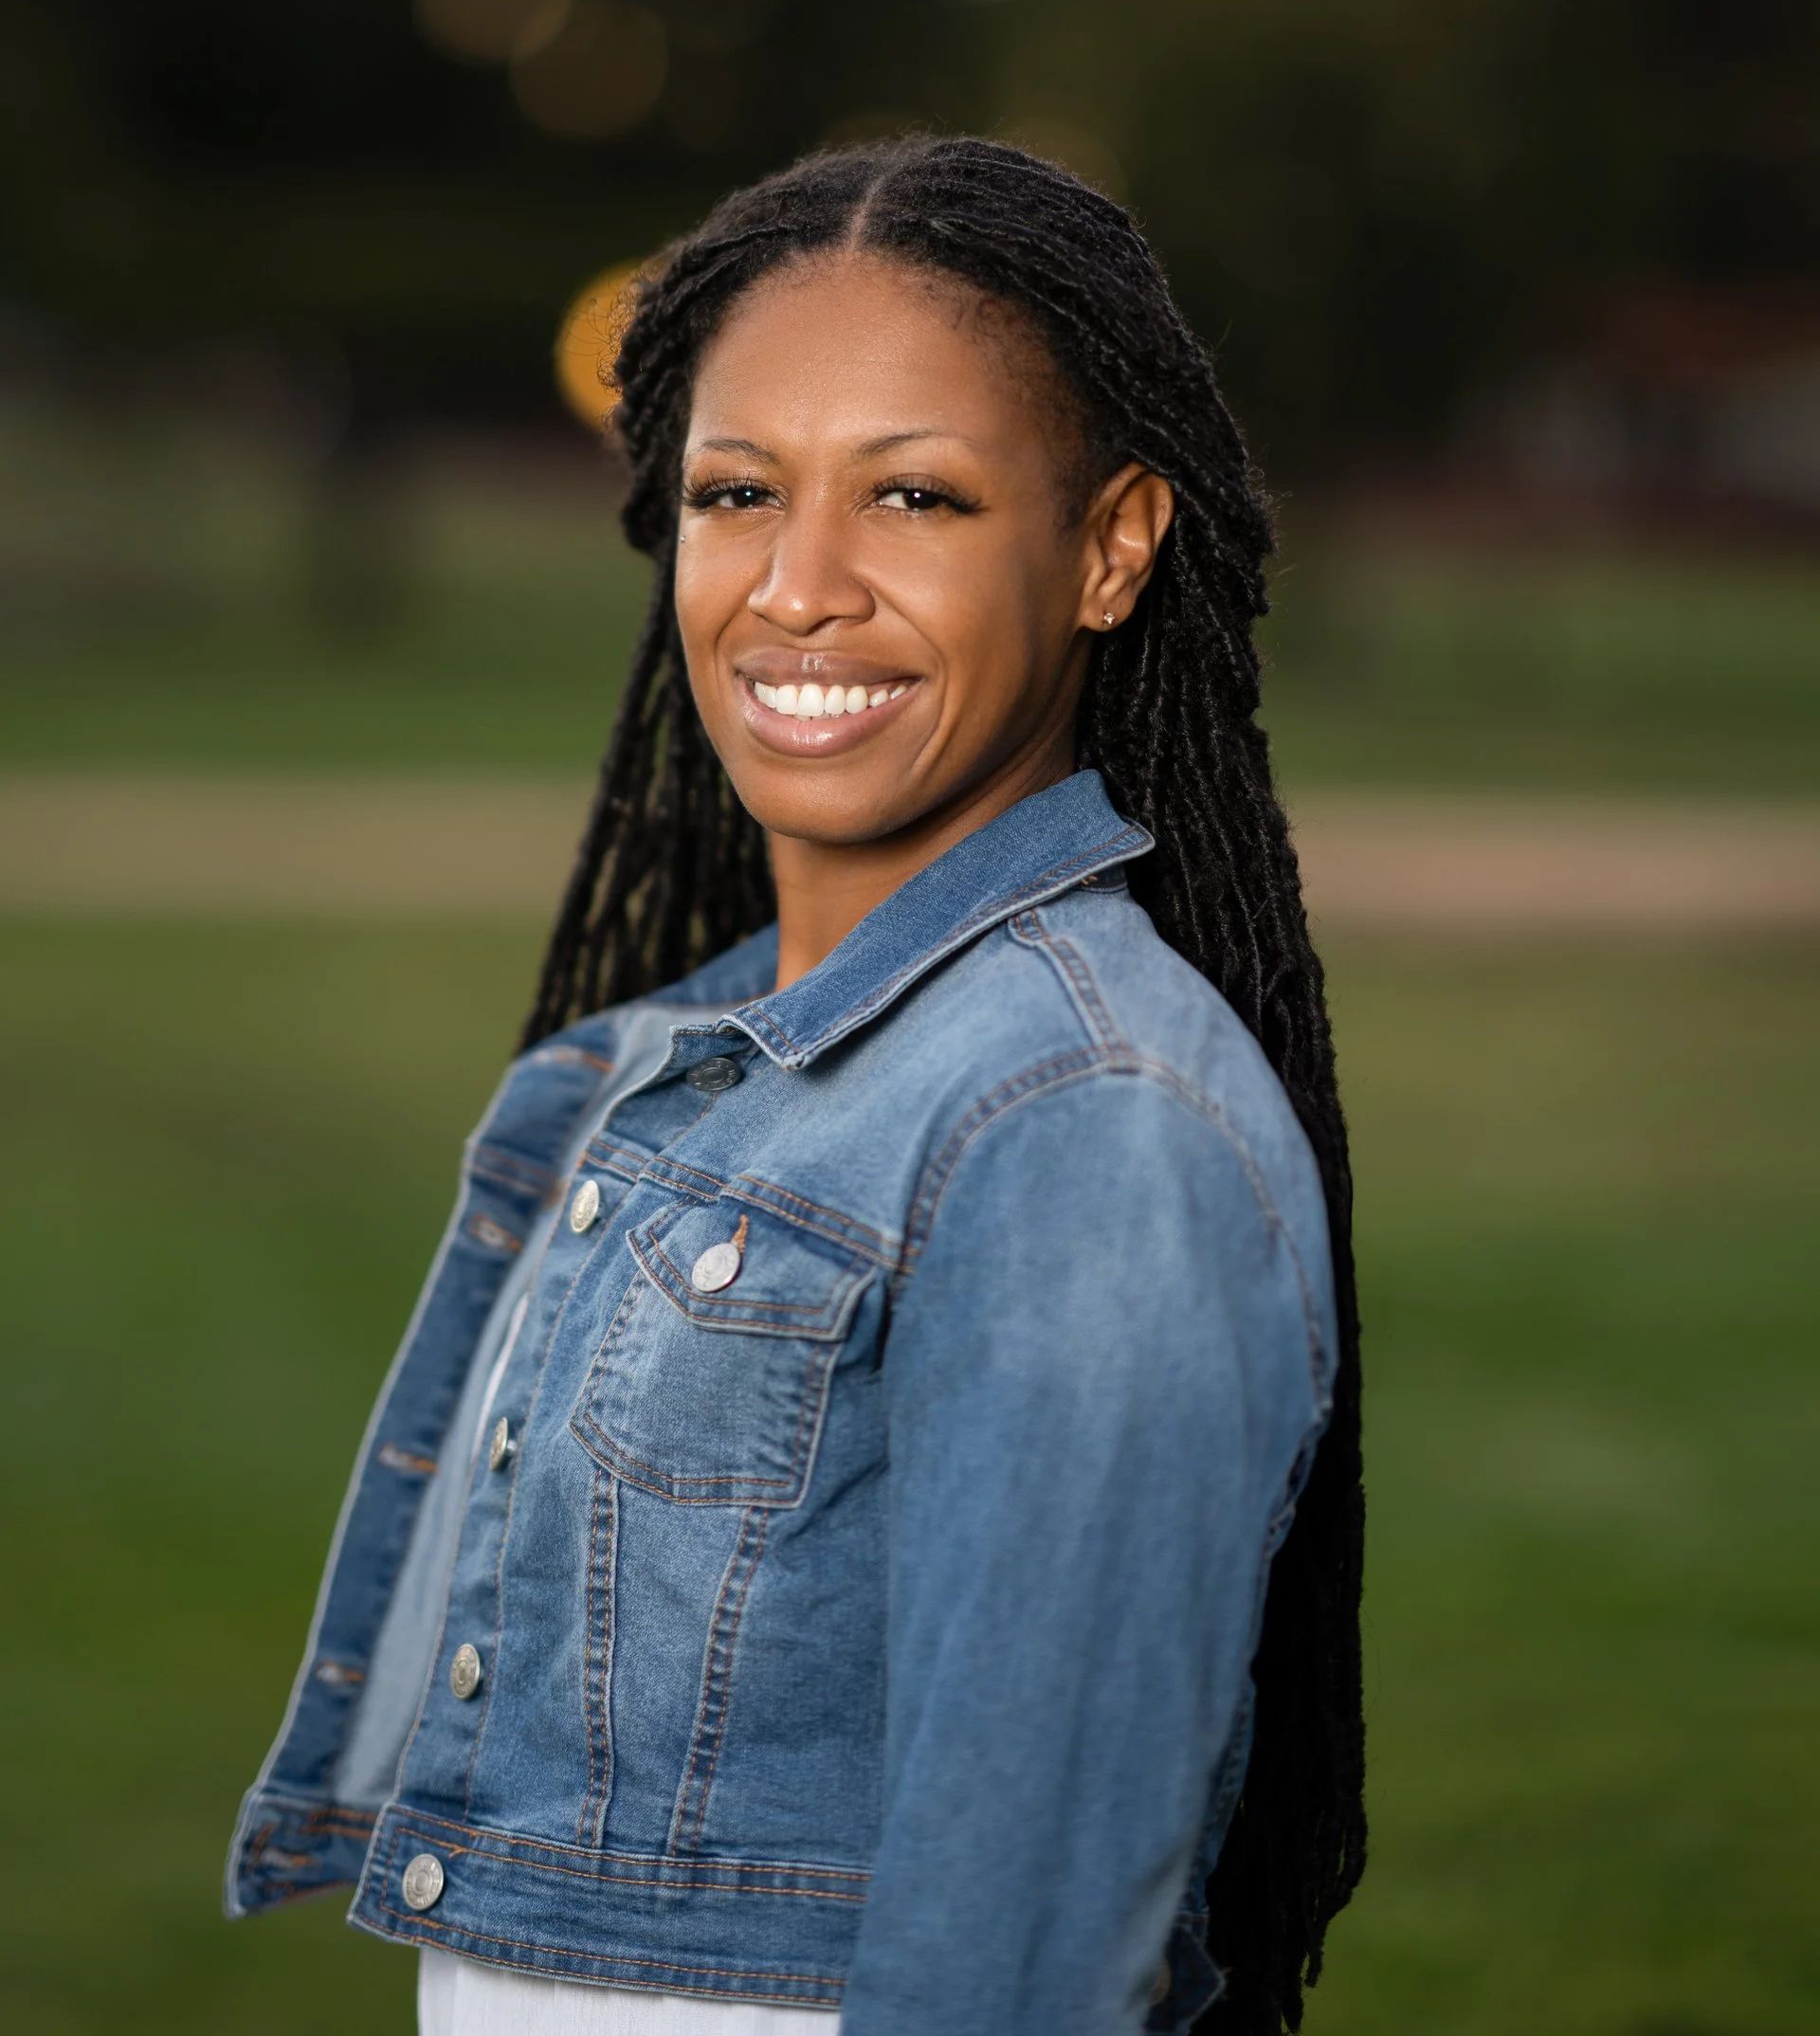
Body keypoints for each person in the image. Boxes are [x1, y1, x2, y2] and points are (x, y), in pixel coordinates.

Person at [225, 132, 1367, 2036]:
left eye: (916, 496)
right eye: (740, 491)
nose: (802, 588)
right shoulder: (673, 1072)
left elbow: (1021, 1949)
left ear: (1109, 547)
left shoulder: (1081, 1124)